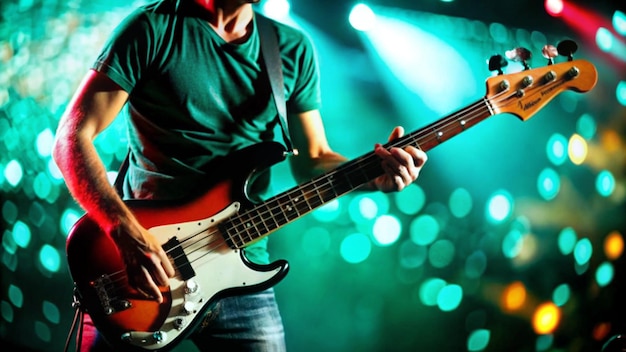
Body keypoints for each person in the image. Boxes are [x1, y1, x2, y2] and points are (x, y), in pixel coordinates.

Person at [52, 0, 428, 350]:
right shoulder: (152, 27)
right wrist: (125, 232)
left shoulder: (291, 47)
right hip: (141, 269)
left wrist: (371, 177)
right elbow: (71, 138)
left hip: (241, 274)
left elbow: (313, 159)